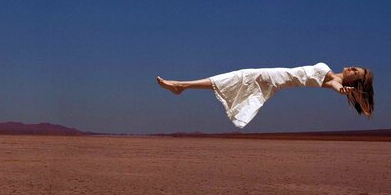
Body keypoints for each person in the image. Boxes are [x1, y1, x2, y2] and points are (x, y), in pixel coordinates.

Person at [156, 62, 374, 128]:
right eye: (356, 68)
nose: (352, 68)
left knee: (235, 77)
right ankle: (181, 85)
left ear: (354, 81)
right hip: (274, 77)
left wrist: (343, 91)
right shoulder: (332, 74)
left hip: (274, 78)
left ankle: (180, 85)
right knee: (232, 78)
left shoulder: (335, 81)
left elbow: (337, 88)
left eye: (356, 73)